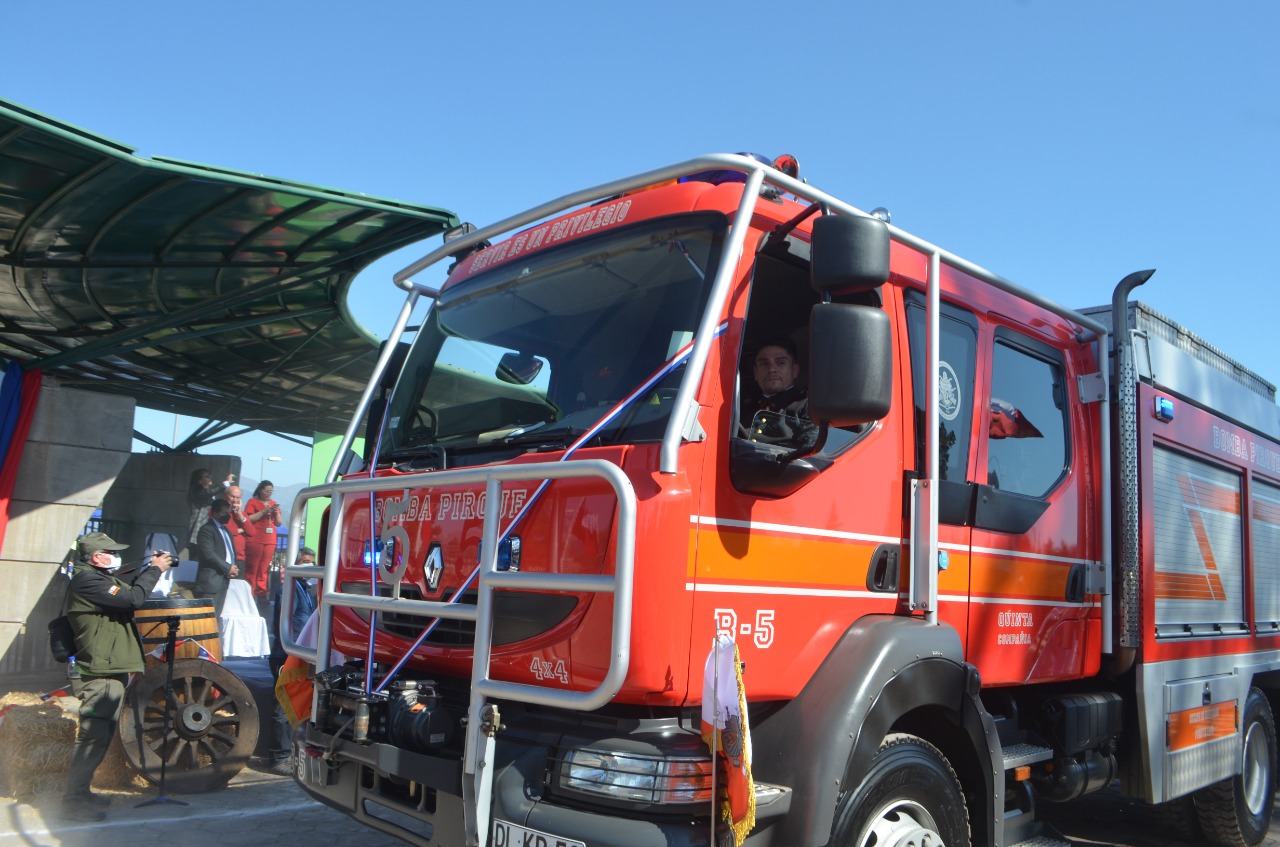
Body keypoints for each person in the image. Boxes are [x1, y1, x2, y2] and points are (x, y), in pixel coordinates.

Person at [62, 532, 173, 821]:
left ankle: (81, 793)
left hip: (107, 669)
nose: (115, 556)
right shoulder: (88, 581)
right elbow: (133, 598)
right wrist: (154, 570)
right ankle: (72, 802)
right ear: (97, 557)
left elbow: (128, 591)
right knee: (91, 738)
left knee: (98, 737)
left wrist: (150, 567)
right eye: (110, 552)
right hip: (97, 672)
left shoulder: (99, 580)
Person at [266, 546, 318, 774]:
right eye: (304, 561)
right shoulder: (291, 589)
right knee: (281, 707)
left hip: (298, 654)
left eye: (311, 562)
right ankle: (279, 756)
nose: (309, 566)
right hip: (287, 655)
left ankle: (290, 753)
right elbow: (288, 625)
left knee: (291, 704)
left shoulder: (305, 589)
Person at [738, 338, 814, 446]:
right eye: (764, 364)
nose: (772, 369)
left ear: (795, 370)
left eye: (781, 363)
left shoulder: (807, 407)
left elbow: (812, 456)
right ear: (755, 372)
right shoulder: (740, 407)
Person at [195, 499, 239, 616]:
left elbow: (231, 552)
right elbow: (209, 554)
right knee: (206, 618)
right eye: (224, 513)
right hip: (210, 582)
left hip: (224, 580)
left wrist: (233, 568)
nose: (228, 516)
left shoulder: (226, 531)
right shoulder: (207, 530)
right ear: (214, 513)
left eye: (229, 513)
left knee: (217, 616)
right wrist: (227, 567)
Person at [243, 481, 281, 598]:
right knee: (253, 567)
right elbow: (248, 519)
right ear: (260, 490)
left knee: (264, 567)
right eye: (266, 491)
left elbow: (279, 523)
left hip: (269, 539)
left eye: (271, 491)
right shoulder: (252, 502)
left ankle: (261, 592)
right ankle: (249, 591)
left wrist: (276, 513)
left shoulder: (274, 503)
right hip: (255, 538)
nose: (269, 494)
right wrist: (263, 512)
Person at [186, 468, 233, 546]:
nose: (210, 478)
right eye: (207, 476)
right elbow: (207, 494)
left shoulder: (208, 493)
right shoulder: (196, 489)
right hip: (198, 531)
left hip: (208, 528)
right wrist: (225, 484)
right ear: (200, 480)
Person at [223, 483, 255, 571]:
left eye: (238, 498)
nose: (235, 500)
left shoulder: (242, 514)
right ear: (225, 496)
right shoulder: (218, 512)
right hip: (223, 557)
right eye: (232, 497)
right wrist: (239, 530)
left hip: (239, 558)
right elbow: (222, 530)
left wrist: (239, 514)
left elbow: (251, 532)